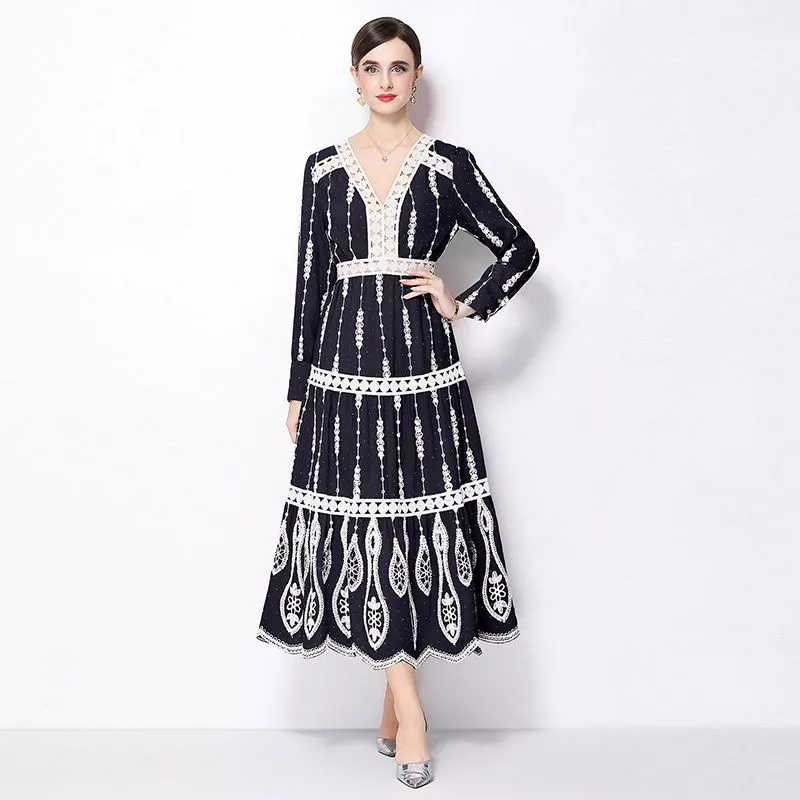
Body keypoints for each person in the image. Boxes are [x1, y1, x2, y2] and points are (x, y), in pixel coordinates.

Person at [256, 16, 540, 789]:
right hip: (343, 371)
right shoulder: (323, 169)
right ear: (354, 77)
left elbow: (519, 249)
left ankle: (399, 710)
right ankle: (408, 712)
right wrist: (297, 385)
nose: (386, 80)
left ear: (417, 78)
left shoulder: (449, 166)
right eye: (372, 66)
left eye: (400, 67)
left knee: (412, 519)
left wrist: (464, 302)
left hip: (422, 366)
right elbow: (311, 282)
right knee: (367, 519)